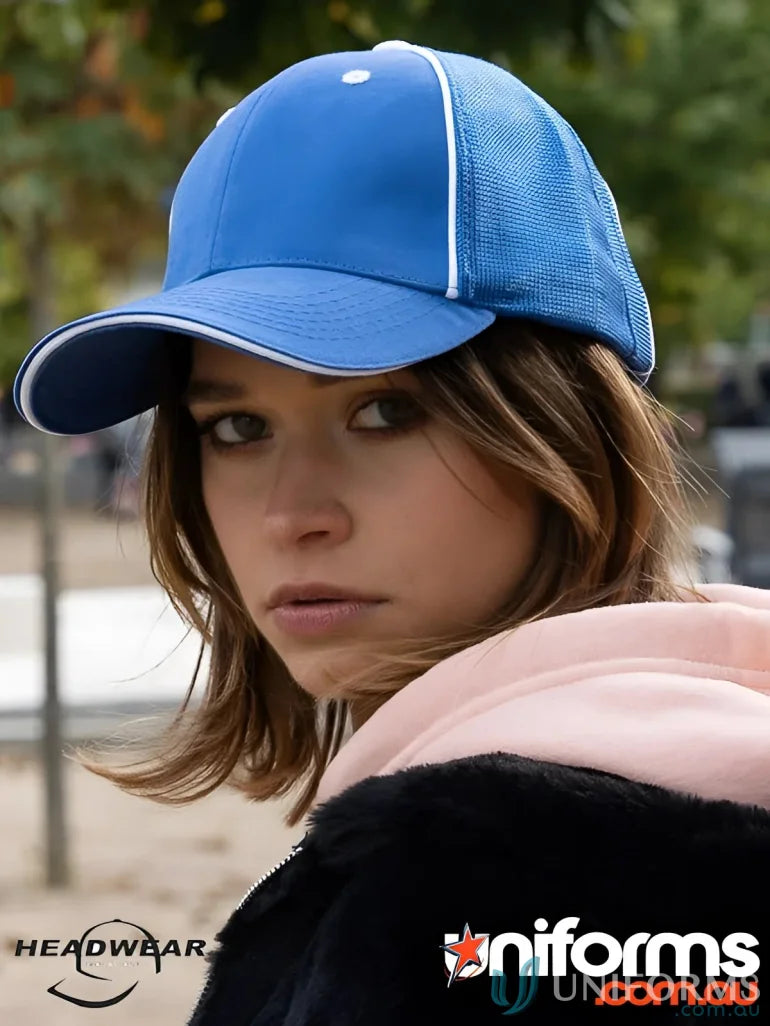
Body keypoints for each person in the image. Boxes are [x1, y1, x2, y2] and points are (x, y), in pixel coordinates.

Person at [12, 41, 770, 1024]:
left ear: (561, 428)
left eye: (383, 413)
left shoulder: (491, 889)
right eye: (235, 428)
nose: (292, 514)